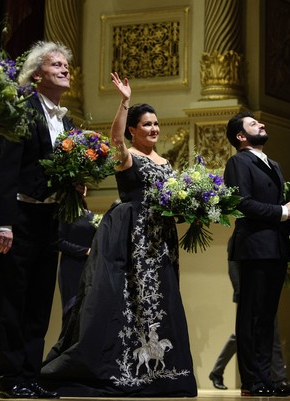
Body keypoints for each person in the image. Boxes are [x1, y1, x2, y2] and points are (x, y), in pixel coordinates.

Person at [40, 72, 197, 397]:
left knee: (161, 300)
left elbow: (171, 200)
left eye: (156, 124)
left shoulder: (166, 162)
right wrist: (124, 102)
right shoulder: (128, 158)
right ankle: (127, 371)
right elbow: (114, 139)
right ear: (133, 129)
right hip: (134, 239)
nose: (153, 129)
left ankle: (164, 373)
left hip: (162, 240)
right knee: (131, 301)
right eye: (146, 124)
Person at [0, 40, 74, 399]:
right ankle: (10, 378)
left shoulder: (66, 118)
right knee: (12, 299)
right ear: (37, 74)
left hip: (49, 218)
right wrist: (3, 222)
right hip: (20, 216)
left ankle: (30, 374)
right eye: (56, 64)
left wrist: (75, 184)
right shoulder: (21, 109)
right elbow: (5, 168)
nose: (65, 69)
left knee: (40, 300)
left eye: (66, 65)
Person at [223, 111, 290, 397]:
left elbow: (276, 206)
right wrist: (284, 212)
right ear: (241, 136)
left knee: (267, 315)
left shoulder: (272, 163)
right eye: (253, 124)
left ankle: (266, 377)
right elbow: (243, 203)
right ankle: (252, 381)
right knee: (252, 315)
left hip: (275, 246)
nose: (261, 124)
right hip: (254, 247)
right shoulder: (238, 161)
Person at [209, 239, 290, 396]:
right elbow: (234, 267)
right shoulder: (240, 239)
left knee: (263, 332)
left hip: (258, 289)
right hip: (246, 292)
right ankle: (275, 377)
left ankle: (276, 377)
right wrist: (240, 292)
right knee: (247, 334)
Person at [55, 186, 97, 336]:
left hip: (91, 267)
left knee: (89, 312)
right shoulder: (64, 213)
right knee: (73, 312)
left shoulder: (92, 215)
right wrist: (85, 251)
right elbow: (58, 241)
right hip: (72, 267)